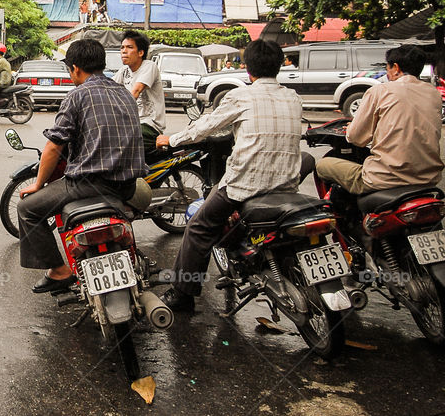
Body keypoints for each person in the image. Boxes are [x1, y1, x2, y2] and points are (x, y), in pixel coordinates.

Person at [154, 39, 303, 312]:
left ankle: (182, 294)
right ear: (280, 67)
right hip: (286, 185)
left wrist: (170, 139)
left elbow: (204, 128)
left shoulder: (241, 96)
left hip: (245, 186)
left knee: (199, 228)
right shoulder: (293, 97)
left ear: (248, 70)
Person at [17, 39, 148, 293]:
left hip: (88, 185)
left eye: (69, 70)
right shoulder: (124, 93)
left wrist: (39, 184)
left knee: (27, 209)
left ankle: (59, 271)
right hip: (127, 187)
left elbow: (54, 146)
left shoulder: (77, 96)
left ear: (75, 68)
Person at [316, 44, 444, 195]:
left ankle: (338, 215)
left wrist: (352, 128)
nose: (387, 73)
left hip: (384, 179)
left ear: (395, 68)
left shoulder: (380, 91)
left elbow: (356, 138)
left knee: (322, 165)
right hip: (428, 180)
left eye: (387, 68)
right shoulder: (433, 94)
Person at [112, 30, 166, 156]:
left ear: (140, 52)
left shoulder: (149, 66)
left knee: (116, 143)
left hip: (149, 126)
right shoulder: (124, 71)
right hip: (132, 124)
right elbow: (108, 87)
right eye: (122, 47)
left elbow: (135, 91)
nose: (124, 51)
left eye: (129, 47)